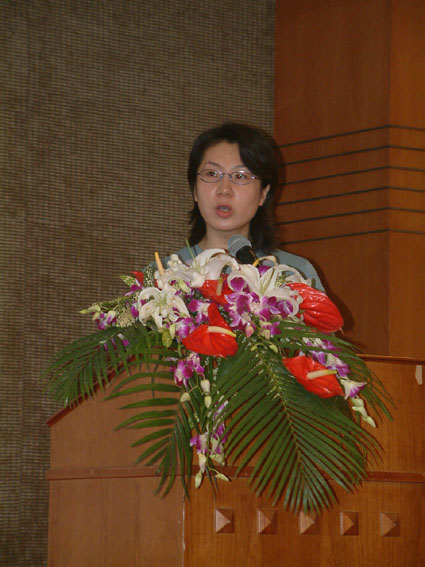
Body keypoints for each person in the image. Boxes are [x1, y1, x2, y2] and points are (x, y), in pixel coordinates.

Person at [166, 122, 324, 291]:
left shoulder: (294, 274)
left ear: (263, 193)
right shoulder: (164, 275)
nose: (224, 189)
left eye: (240, 176)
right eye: (211, 173)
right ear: (195, 190)